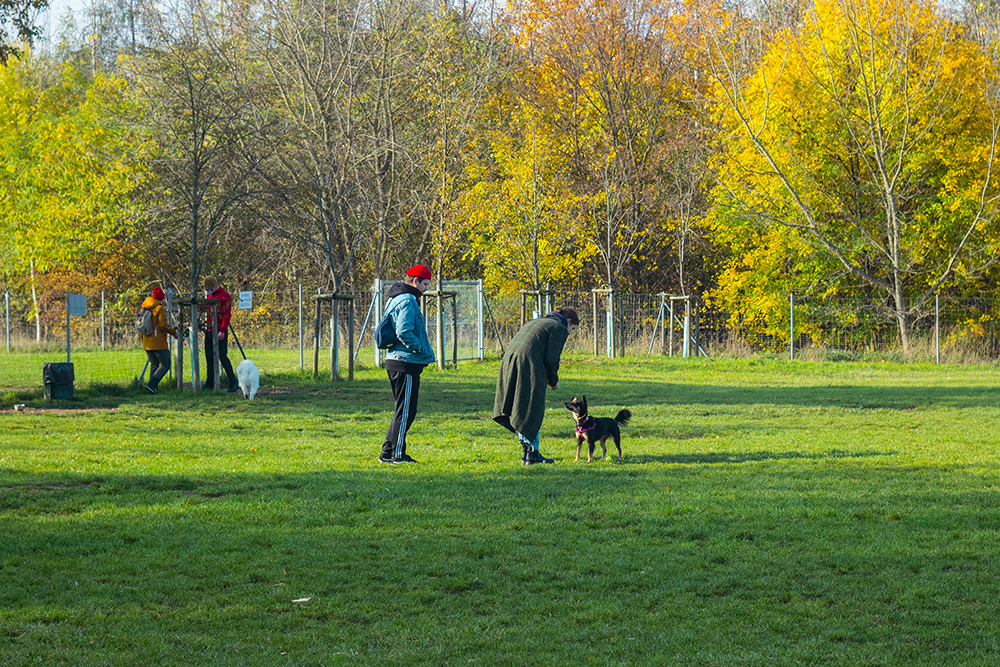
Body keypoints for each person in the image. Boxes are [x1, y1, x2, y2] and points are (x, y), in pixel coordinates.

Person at [493, 307, 579, 464]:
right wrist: (553, 382)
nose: (570, 332)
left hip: (510, 362)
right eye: (572, 329)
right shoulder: (559, 328)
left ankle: (527, 452)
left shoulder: (537, 321)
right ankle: (532, 453)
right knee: (532, 406)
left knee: (521, 404)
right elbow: (552, 359)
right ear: (568, 321)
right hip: (528, 364)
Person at [379, 264, 436, 464]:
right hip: (405, 362)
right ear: (415, 281)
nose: (426, 288)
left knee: (400, 409)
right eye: (425, 284)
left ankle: (387, 452)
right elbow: (404, 331)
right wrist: (418, 347)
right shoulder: (408, 301)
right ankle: (398, 454)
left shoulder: (395, 298)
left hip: (394, 359)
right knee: (406, 411)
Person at [201, 275, 238, 392]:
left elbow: (227, 315)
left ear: (212, 285)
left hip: (219, 329)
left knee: (222, 356)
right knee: (209, 356)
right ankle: (209, 383)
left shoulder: (224, 296)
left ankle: (233, 381)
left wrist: (222, 330)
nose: (206, 290)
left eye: (207, 287)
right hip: (209, 329)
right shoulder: (210, 295)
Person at [139, 287, 179, 395]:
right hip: (158, 343)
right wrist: (174, 333)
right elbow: (163, 326)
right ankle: (152, 384)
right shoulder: (159, 308)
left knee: (154, 364)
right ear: (162, 298)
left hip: (147, 341)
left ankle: (152, 389)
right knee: (166, 364)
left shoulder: (145, 307)